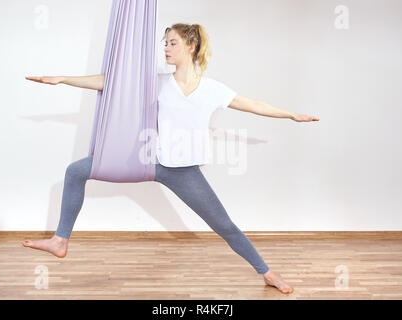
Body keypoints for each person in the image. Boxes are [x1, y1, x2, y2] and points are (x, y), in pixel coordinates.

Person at [23, 23, 319, 294]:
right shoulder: (158, 82)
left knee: (224, 225)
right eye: (164, 43)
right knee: (76, 170)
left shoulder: (212, 89)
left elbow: (252, 104)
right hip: (147, 160)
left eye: (172, 43)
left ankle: (266, 273)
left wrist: (290, 114)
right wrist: (62, 79)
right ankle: (60, 241)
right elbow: (109, 82)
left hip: (183, 172)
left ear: (191, 47)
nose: (165, 48)